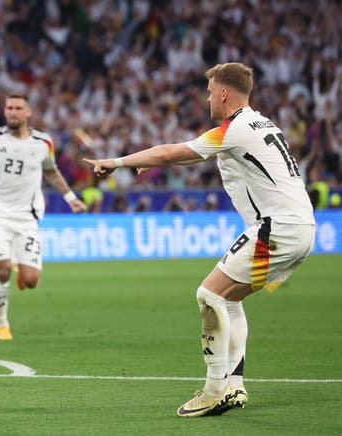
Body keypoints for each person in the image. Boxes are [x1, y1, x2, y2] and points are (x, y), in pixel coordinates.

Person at [84, 62, 315, 417]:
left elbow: (171, 151)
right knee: (230, 300)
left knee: (208, 294)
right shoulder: (260, 123)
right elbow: (194, 156)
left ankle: (213, 390)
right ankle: (234, 387)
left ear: (224, 93)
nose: (208, 98)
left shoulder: (235, 129)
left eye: (210, 92)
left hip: (276, 228)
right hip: (299, 226)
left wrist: (117, 162)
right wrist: (161, 162)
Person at [0, 95, 86, 341]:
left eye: (18, 108)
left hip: (27, 217)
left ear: (28, 112)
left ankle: (22, 270)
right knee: (2, 269)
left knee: (31, 281)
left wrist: (70, 197)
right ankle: (2, 325)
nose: (13, 112)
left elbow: (51, 172)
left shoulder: (44, 142)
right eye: (9, 108)